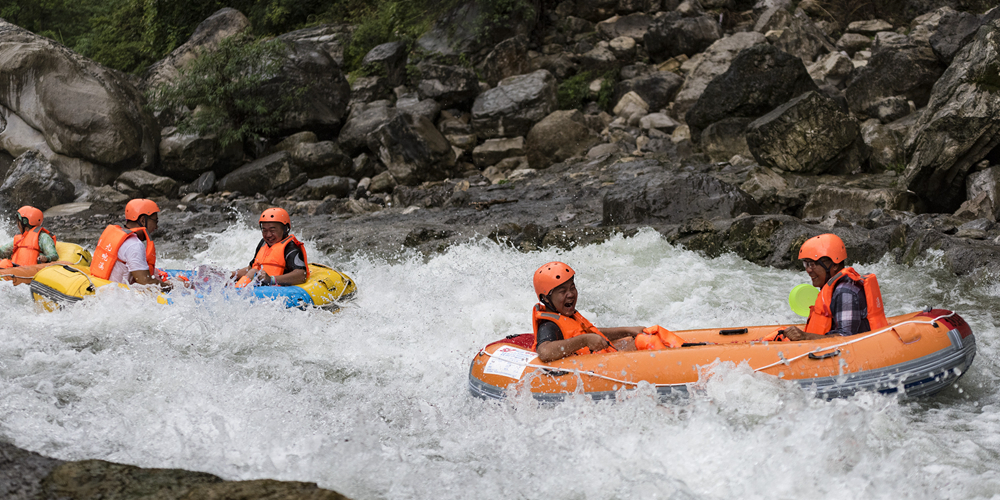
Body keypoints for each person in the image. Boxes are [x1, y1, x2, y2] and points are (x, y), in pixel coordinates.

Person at [781, 233, 888, 341]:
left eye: (812, 264)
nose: (808, 270)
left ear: (835, 265)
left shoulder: (845, 291)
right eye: (806, 264)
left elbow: (846, 339)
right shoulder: (834, 287)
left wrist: (805, 337)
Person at [531, 261, 644, 362]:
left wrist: (627, 331)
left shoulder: (564, 314)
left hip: (591, 359)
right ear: (545, 298)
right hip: (576, 371)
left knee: (641, 340)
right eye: (562, 291)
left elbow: (586, 332)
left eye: (572, 287)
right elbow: (544, 352)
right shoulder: (548, 325)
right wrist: (584, 340)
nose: (570, 294)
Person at [90, 199, 171, 290]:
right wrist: (173, 286)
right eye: (155, 221)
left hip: (101, 286)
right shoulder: (134, 245)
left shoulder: (115, 235)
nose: (156, 227)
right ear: (143, 220)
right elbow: (146, 284)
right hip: (117, 295)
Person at [234, 208, 309, 287]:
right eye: (264, 230)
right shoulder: (263, 243)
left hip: (279, 290)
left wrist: (271, 280)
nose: (268, 235)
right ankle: (237, 289)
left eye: (272, 230)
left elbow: (301, 275)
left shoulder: (291, 248)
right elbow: (251, 268)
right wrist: (231, 274)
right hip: (262, 287)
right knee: (253, 271)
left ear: (285, 229)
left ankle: (238, 290)